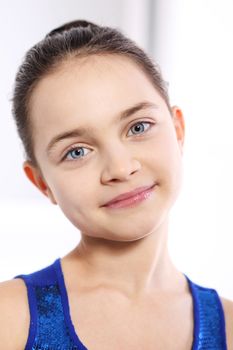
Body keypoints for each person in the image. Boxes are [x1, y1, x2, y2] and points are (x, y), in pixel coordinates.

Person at [0, 19, 232, 350]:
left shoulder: (229, 326)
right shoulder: (10, 320)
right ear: (41, 183)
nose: (120, 168)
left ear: (178, 130)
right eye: (77, 151)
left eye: (138, 127)